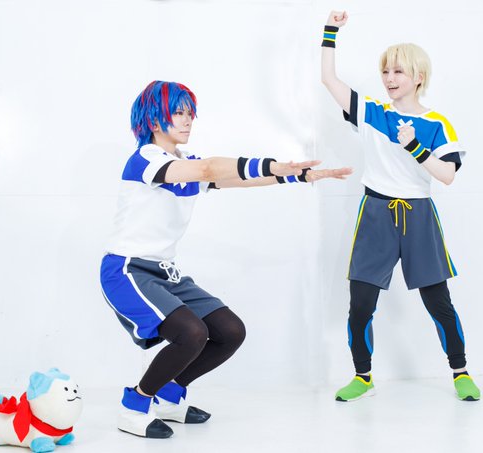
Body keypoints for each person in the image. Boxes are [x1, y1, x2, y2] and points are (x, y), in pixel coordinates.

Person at [100, 80, 352, 438]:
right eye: (178, 113)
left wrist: (295, 175)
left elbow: (234, 180)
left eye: (190, 113)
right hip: (127, 271)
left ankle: (169, 396)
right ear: (154, 120)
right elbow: (208, 171)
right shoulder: (146, 160)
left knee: (230, 331)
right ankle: (135, 404)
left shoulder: (185, 163)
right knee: (191, 333)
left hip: (165, 273)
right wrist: (272, 164)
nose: (188, 120)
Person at [320, 11, 480, 402]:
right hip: (375, 213)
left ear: (418, 77)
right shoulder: (373, 112)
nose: (389, 79)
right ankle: (363, 377)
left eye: (398, 72)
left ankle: (460, 371)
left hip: (418, 215)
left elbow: (447, 175)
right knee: (360, 305)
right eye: (385, 71)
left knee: (438, 302)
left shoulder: (437, 123)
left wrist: (415, 147)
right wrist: (330, 31)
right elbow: (329, 79)